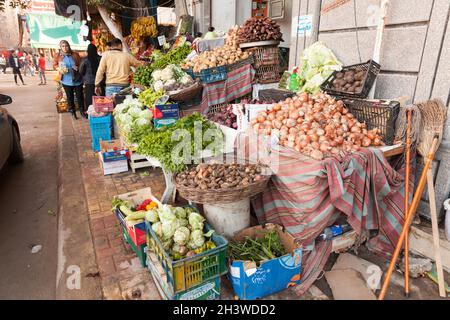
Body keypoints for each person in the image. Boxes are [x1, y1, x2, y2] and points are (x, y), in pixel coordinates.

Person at [53, 40, 85, 119]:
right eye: (63, 46)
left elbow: (81, 63)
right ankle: (72, 112)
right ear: (60, 47)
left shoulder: (75, 54)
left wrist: (77, 67)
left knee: (80, 96)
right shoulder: (58, 56)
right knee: (70, 97)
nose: (65, 48)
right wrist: (59, 68)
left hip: (77, 79)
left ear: (69, 46)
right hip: (66, 80)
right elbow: (54, 65)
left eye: (66, 46)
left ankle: (82, 111)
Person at [80, 43, 101, 110]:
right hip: (100, 81)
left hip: (89, 82)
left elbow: (81, 70)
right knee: (100, 97)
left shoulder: (85, 60)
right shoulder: (100, 58)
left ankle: (90, 112)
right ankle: (100, 110)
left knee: (89, 98)